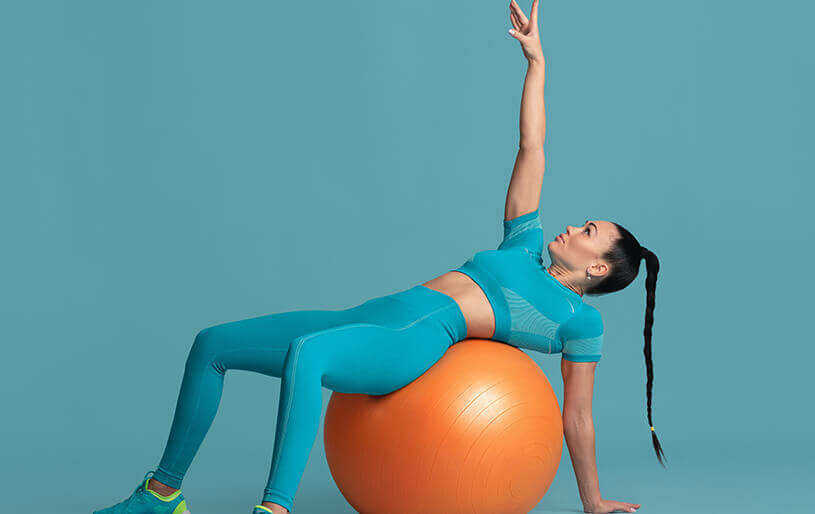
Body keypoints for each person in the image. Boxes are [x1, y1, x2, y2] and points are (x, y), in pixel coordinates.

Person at [93, 2, 662, 513]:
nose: (573, 226)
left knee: (309, 353)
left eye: (588, 231)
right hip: (372, 315)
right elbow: (531, 146)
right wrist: (536, 64)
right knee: (212, 345)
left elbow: (577, 417)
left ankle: (274, 509)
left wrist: (592, 502)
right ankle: (160, 495)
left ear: (598, 267)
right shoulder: (524, 245)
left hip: (414, 342)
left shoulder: (579, 321)